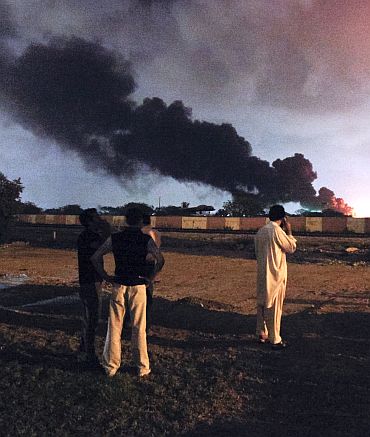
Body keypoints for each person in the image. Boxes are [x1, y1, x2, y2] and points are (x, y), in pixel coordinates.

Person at [91, 207, 164, 378]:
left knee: (114, 326)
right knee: (139, 327)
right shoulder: (146, 239)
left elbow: (96, 257)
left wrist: (105, 276)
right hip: (138, 285)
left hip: (119, 284)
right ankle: (142, 367)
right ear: (140, 222)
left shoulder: (115, 238)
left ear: (126, 220)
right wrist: (150, 278)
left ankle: (111, 365)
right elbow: (160, 260)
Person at [254, 205, 297, 349]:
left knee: (262, 304)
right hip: (275, 275)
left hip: (262, 273)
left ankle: (262, 333)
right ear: (283, 218)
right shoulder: (277, 231)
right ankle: (275, 339)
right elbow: (291, 247)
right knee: (274, 307)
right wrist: (289, 231)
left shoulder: (261, 231)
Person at [77, 208, 111, 368]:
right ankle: (88, 353)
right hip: (90, 281)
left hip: (90, 281)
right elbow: (103, 247)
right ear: (90, 221)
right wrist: (107, 230)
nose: (99, 219)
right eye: (96, 217)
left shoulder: (87, 236)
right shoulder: (87, 237)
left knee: (89, 316)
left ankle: (84, 348)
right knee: (91, 318)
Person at [141, 214, 163, 332]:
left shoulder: (142, 233)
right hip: (151, 265)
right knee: (148, 296)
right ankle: (146, 323)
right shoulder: (157, 233)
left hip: (141, 265)